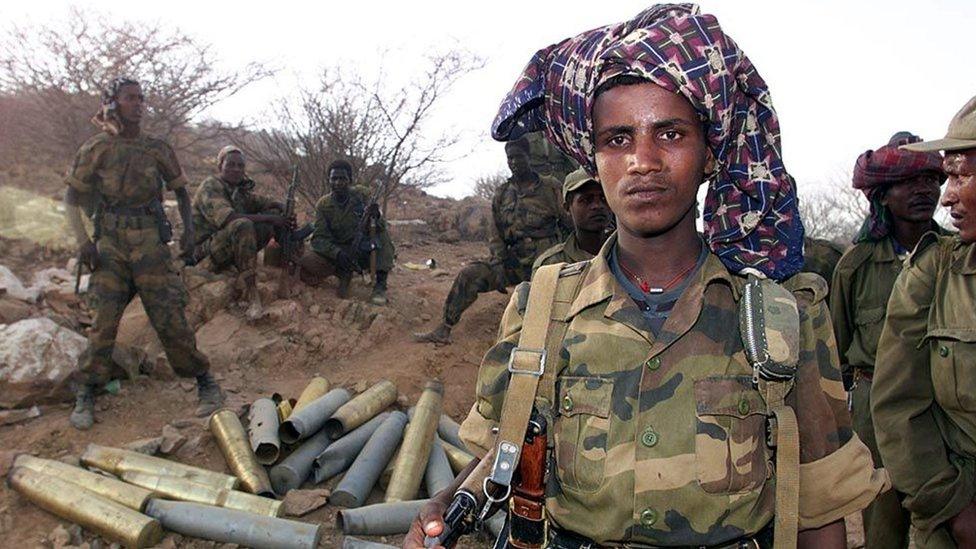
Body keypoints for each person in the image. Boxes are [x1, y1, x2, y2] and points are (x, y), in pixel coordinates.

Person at [405, 5, 886, 548]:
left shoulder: (782, 317)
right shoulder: (541, 309)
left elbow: (820, 516)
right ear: (592, 157)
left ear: (709, 154)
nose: (643, 161)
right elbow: (507, 445)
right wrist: (446, 504)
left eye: (671, 134)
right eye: (617, 139)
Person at [63, 77, 223, 430]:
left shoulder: (157, 148)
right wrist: (83, 241)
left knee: (169, 316)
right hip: (110, 244)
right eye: (129, 98)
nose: (138, 104)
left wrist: (189, 235)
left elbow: (182, 192)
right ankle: (88, 389)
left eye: (141, 98)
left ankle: (205, 382)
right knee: (103, 320)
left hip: (150, 242)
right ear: (113, 103)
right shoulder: (96, 148)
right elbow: (71, 200)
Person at [830, 131, 946, 548]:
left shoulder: (956, 258)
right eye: (910, 182)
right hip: (874, 407)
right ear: (883, 193)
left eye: (932, 180)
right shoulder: (855, 265)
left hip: (944, 406)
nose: (925, 190)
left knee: (951, 518)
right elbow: (837, 346)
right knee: (882, 520)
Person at [873, 95, 976, 549]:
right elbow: (899, 404)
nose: (946, 195)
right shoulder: (933, 272)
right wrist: (954, 511)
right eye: (947, 175)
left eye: (960, 174)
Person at [413, 138, 568, 344]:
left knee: (542, 298)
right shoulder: (503, 192)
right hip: (514, 260)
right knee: (470, 274)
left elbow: (568, 224)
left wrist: (566, 257)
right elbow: (496, 233)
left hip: (547, 260)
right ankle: (445, 327)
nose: (513, 162)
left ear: (529, 157)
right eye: (509, 158)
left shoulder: (550, 187)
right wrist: (498, 260)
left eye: (518, 157)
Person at [191, 146, 295, 319]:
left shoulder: (239, 190)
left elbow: (263, 202)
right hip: (205, 250)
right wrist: (271, 219)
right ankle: (252, 293)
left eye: (240, 166)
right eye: (230, 165)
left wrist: (283, 209)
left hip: (227, 245)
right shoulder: (211, 186)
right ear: (220, 166)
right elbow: (229, 218)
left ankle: (283, 268)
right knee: (244, 224)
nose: (236, 170)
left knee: (272, 216)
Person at [297, 159, 394, 305]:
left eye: (342, 178)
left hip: (362, 248)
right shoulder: (323, 205)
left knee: (383, 238)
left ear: (349, 180)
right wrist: (337, 254)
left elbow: (379, 227)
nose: (338, 182)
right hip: (338, 251)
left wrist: (376, 216)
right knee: (307, 261)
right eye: (334, 178)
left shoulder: (361, 196)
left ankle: (380, 286)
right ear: (328, 180)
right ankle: (342, 273)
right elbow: (318, 239)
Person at [532, 167, 611, 272]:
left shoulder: (630, 254)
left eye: (603, 198)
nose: (597, 205)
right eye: (587, 200)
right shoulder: (551, 265)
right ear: (567, 207)